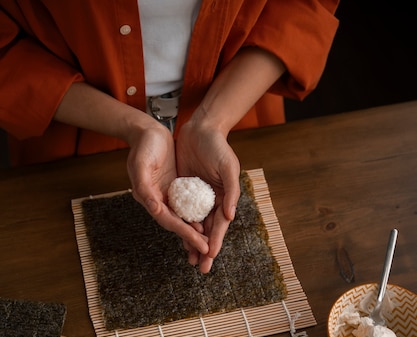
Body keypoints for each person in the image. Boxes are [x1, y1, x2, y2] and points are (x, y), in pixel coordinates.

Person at [0, 1, 340, 272]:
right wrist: (138, 126)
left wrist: (211, 123)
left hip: (237, 105)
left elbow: (301, 9)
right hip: (72, 122)